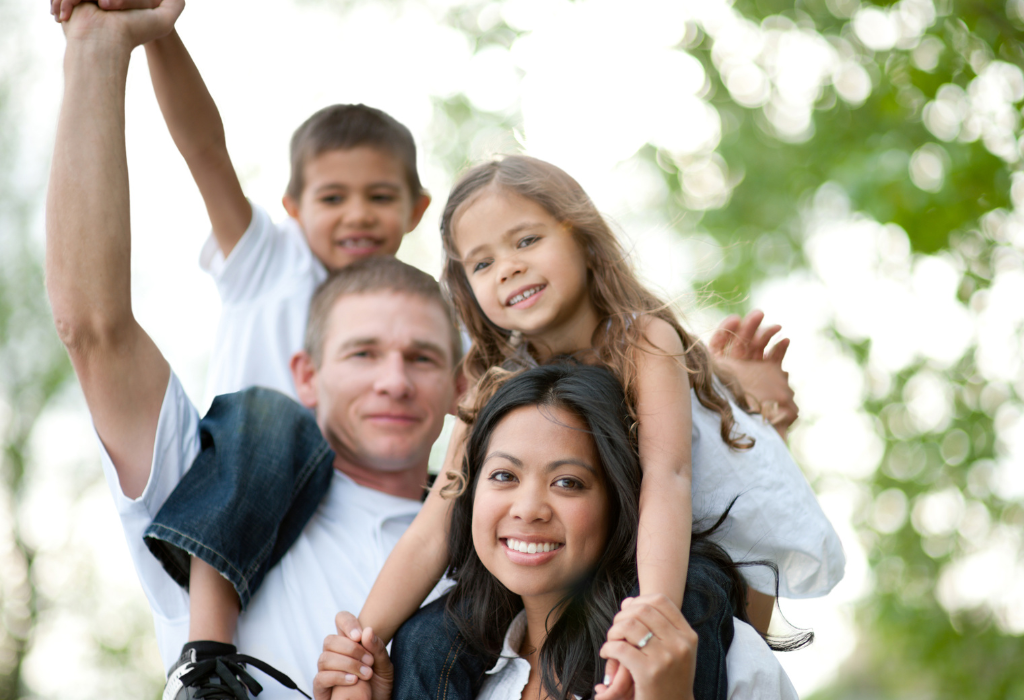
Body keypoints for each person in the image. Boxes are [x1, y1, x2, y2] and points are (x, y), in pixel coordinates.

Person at [44, 6, 461, 698]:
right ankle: (210, 657)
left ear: (461, 380)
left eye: (421, 357)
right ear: (308, 372)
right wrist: (103, 41)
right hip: (241, 487)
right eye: (361, 353)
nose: (392, 379)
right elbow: (95, 323)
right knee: (261, 426)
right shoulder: (208, 483)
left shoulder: (491, 546)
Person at [351, 156, 844, 697]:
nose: (508, 268)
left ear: (582, 238)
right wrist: (362, 643)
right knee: (429, 636)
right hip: (549, 574)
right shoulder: (496, 385)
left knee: (693, 596)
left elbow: (669, 477)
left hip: (652, 561)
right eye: (482, 263)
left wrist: (650, 618)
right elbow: (434, 523)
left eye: (525, 240)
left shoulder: (643, 343)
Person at [315, 363, 799, 700]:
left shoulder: (725, 655)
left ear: (621, 504)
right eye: (504, 475)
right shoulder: (443, 665)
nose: (528, 509)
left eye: (568, 483)